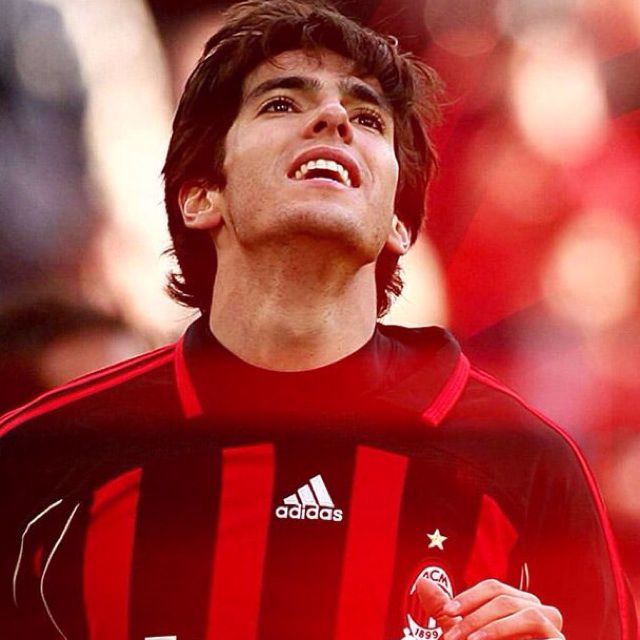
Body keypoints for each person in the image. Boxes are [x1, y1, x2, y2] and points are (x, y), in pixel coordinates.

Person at [0, 2, 635, 639]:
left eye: (368, 118)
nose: (333, 117)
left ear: (398, 223)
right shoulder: (39, 460)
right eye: (281, 103)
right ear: (200, 196)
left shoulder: (526, 463)